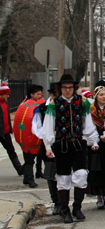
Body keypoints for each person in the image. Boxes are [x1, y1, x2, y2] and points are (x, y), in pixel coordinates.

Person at [42, 74, 99, 223]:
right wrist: (48, 145)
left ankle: (77, 207)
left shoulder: (82, 102)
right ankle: (65, 210)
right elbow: (48, 126)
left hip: (78, 144)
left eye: (70, 87)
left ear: (74, 88)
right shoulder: (54, 104)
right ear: (60, 89)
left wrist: (91, 139)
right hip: (61, 145)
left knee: (81, 175)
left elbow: (88, 123)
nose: (68, 90)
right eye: (65, 88)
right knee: (63, 177)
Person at [86, 86, 105, 209]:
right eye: (101, 95)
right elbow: (88, 127)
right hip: (95, 142)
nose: (104, 97)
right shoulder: (91, 110)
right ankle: (99, 196)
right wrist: (94, 141)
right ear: (96, 96)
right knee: (96, 169)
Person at [32, 83, 61, 215]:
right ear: (50, 94)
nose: (57, 97)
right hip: (47, 145)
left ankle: (63, 202)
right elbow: (36, 128)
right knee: (51, 175)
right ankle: (56, 202)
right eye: (56, 94)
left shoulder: (63, 107)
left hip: (62, 144)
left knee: (63, 174)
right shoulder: (41, 108)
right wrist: (48, 134)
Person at [14, 84, 45, 188]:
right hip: (27, 138)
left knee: (34, 157)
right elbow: (21, 122)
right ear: (31, 95)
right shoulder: (25, 105)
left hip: (37, 137)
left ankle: (27, 177)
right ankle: (30, 179)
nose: (40, 95)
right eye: (37, 94)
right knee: (29, 159)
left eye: (40, 93)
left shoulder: (40, 104)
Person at [0, 82, 25, 176]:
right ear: (2, 93)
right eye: (6, 94)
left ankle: (19, 169)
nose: (8, 96)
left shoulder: (5, 102)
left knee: (11, 151)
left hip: (5, 132)